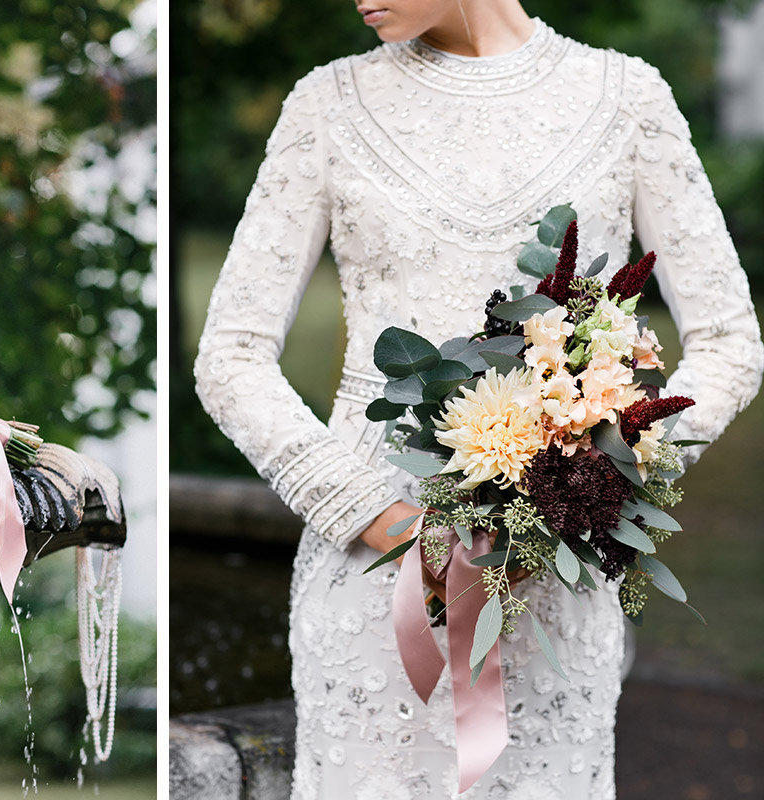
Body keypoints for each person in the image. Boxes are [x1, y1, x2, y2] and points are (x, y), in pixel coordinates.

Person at [193, 0, 764, 797]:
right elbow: (230, 357)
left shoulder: (628, 98)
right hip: (370, 569)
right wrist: (383, 522)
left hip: (555, 571)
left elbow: (732, 340)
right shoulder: (325, 103)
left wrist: (604, 477)